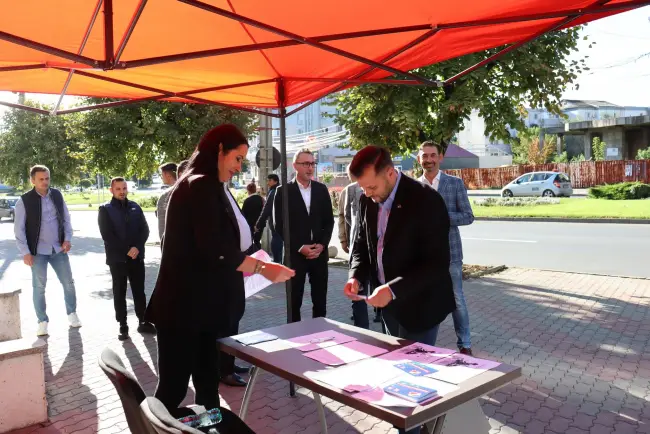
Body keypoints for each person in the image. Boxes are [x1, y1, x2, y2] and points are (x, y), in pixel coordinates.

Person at [145, 124, 294, 414]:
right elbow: (218, 251)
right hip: (182, 312)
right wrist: (264, 268)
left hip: (199, 311)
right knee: (172, 390)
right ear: (219, 151)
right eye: (237, 158)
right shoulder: (199, 185)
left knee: (207, 387)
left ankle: (211, 427)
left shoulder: (205, 185)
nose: (239, 167)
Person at [344, 146, 454, 433]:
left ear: (391, 173)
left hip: (422, 305)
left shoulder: (426, 200)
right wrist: (356, 274)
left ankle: (412, 426)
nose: (368, 193)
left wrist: (392, 290)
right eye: (363, 188)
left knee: (412, 377)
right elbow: (361, 245)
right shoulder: (367, 199)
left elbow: (437, 264)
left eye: (372, 186)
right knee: (397, 370)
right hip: (389, 306)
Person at [417, 141, 475, 355]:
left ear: (440, 158)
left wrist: (441, 218)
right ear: (419, 159)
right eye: (425, 156)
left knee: (456, 300)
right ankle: (425, 344)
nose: (429, 160)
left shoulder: (454, 183)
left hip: (450, 255)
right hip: (423, 258)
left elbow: (468, 216)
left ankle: (465, 344)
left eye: (433, 155)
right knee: (425, 301)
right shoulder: (413, 186)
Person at [14, 165, 81, 337]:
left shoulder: (57, 195)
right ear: (33, 180)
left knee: (68, 283)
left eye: (47, 178)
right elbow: (19, 230)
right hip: (37, 252)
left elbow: (66, 219)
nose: (45, 182)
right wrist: (25, 252)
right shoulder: (24, 201)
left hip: (58, 249)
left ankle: (72, 314)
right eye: (41, 179)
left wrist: (67, 239)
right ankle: (42, 321)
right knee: (39, 287)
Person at [274, 148, 334, 322]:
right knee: (294, 303)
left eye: (312, 163)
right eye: (306, 164)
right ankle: (295, 339)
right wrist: (299, 246)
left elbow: (329, 222)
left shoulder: (322, 190)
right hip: (295, 255)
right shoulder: (283, 191)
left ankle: (320, 334)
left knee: (320, 302)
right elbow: (279, 225)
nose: (310, 168)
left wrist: (322, 245)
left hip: (318, 253)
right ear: (295, 166)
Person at [98, 177, 156, 341]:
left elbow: (144, 230)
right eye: (118, 189)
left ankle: (143, 320)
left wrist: (137, 247)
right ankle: (123, 325)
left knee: (139, 291)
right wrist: (126, 250)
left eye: (124, 188)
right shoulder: (105, 209)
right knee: (119, 291)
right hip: (118, 259)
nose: (122, 192)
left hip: (136, 257)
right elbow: (107, 235)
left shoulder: (135, 207)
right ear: (111, 190)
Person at [338, 172, 371, 329]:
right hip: (357, 244)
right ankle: (362, 329)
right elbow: (345, 216)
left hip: (375, 249)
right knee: (358, 288)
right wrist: (344, 239)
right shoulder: (351, 190)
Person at [254, 174, 283, 262]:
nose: (267, 183)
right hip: (281, 223)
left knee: (276, 245)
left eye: (269, 180)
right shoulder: (279, 191)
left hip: (276, 224)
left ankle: (277, 265)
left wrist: (258, 224)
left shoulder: (273, 192)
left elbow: (266, 209)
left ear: (275, 181)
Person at [156, 162, 178, 242]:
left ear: (166, 174)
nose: (161, 177)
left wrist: (163, 244)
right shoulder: (189, 191)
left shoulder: (165, 196)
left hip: (171, 243)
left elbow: (162, 225)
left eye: (162, 174)